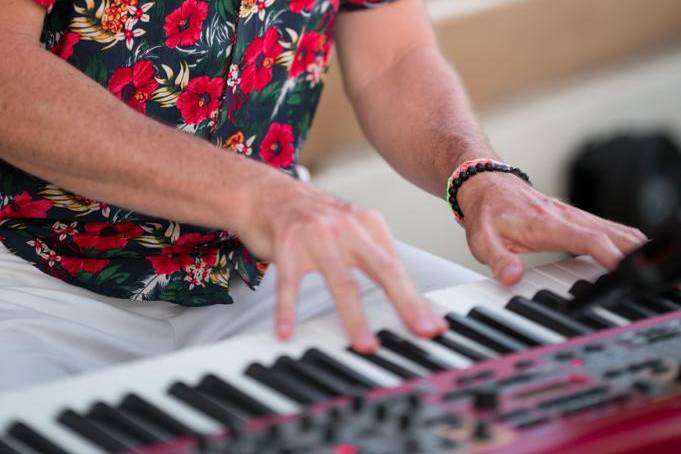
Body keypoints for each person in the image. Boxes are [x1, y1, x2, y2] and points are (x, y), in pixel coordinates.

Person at [0, 0, 645, 392]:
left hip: (262, 265)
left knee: (520, 380)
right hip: (31, 274)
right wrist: (255, 195)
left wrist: (479, 175)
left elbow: (394, 59)